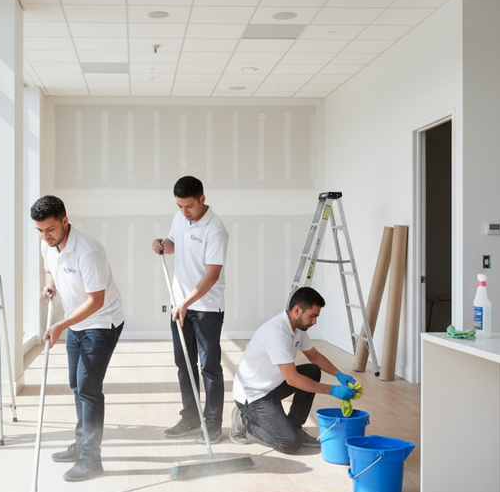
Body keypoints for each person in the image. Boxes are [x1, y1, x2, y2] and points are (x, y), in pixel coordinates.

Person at [31, 195, 124, 482]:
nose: (45, 236)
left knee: (89, 388)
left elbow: (97, 301)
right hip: (76, 321)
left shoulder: (88, 250)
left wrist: (62, 324)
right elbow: (51, 268)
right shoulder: (48, 244)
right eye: (40, 231)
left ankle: (91, 459)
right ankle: (82, 443)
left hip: (101, 322)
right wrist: (49, 286)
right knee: (76, 383)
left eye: (50, 230)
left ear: (65, 220)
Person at [230, 286, 358, 453]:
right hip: (253, 396)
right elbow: (292, 379)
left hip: (272, 386)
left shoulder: (298, 328)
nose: (314, 322)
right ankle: (244, 418)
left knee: (312, 371)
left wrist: (339, 374)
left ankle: (294, 426)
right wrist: (333, 390)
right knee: (289, 443)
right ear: (297, 310)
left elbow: (314, 356)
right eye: (312, 316)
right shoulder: (276, 333)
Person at [151, 175, 229, 444]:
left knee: (209, 366)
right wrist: (162, 244)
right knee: (184, 363)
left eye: (189, 207)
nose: (184, 212)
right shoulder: (180, 218)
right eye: (179, 206)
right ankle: (191, 418)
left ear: (202, 200)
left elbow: (212, 275)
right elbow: (174, 244)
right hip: (180, 305)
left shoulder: (215, 230)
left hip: (206, 308)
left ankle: (213, 422)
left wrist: (187, 302)